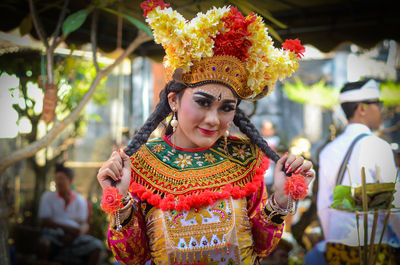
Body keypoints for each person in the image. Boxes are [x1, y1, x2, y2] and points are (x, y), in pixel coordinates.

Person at [96, 1, 314, 264]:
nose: (213, 119)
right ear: (174, 100)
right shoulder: (140, 165)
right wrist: (119, 202)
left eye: (226, 108)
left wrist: (279, 198)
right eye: (202, 102)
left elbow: (262, 247)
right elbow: (133, 257)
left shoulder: (244, 158)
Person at [316, 79, 400, 264]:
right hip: (375, 246)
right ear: (361, 108)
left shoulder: (328, 151)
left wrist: (334, 239)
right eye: (377, 104)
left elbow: (324, 206)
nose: (381, 109)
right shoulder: (379, 146)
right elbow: (393, 206)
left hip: (338, 248)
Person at [38, 163, 103, 265]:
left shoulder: (80, 200)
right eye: (56, 178)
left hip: (75, 236)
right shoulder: (47, 196)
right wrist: (69, 229)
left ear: (70, 180)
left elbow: (84, 224)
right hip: (54, 234)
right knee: (44, 243)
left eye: (61, 178)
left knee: (97, 246)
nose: (58, 182)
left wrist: (75, 233)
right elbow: (45, 221)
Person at [262, 120, 281, 191]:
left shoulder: (277, 141)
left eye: (269, 129)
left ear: (273, 130)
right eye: (265, 129)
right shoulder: (260, 140)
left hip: (273, 167)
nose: (267, 131)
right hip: (263, 167)